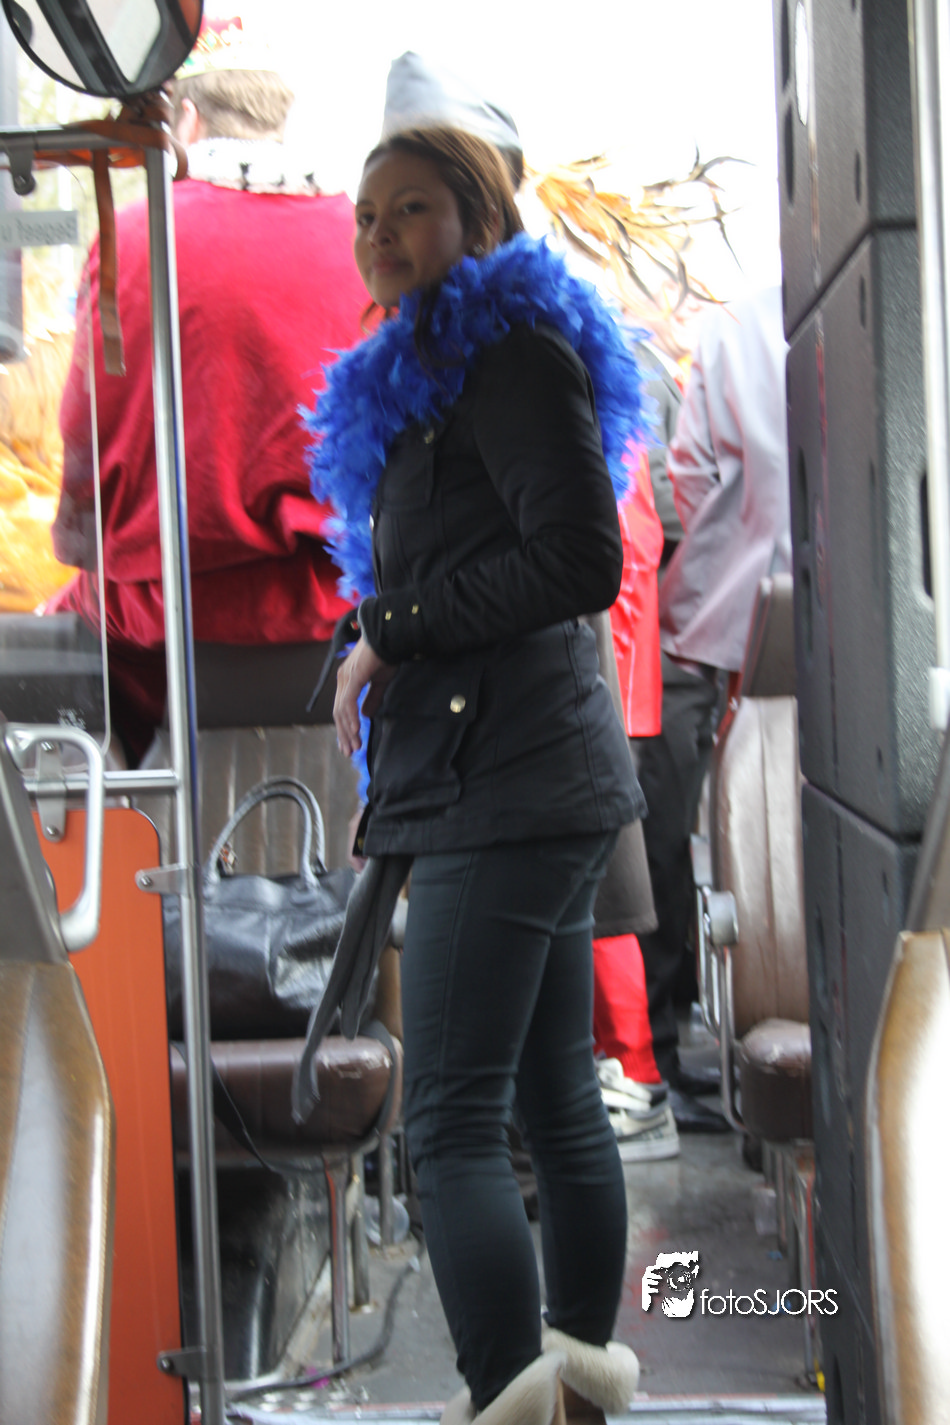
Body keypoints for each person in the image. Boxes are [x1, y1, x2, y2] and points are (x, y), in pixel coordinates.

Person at [309, 126, 644, 1425]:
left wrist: (390, 630)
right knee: (555, 1096)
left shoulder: (503, 352)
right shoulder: (442, 364)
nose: (380, 234)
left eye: (411, 208)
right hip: (525, 772)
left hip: (498, 788)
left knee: (448, 1121)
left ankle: (509, 1398)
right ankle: (570, 1393)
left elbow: (578, 561)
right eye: (366, 215)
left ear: (481, 221)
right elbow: (476, 562)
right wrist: (381, 631)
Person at [47, 21, 369, 761]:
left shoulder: (135, 235)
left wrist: (83, 539)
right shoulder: (365, 237)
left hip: (168, 618)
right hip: (345, 610)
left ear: (186, 120)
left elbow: (88, 435)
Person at [635, 285, 791, 1100]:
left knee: (666, 829)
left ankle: (662, 1040)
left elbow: (688, 475)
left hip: (715, 613)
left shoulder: (730, 334)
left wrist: (725, 545)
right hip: (833, 619)